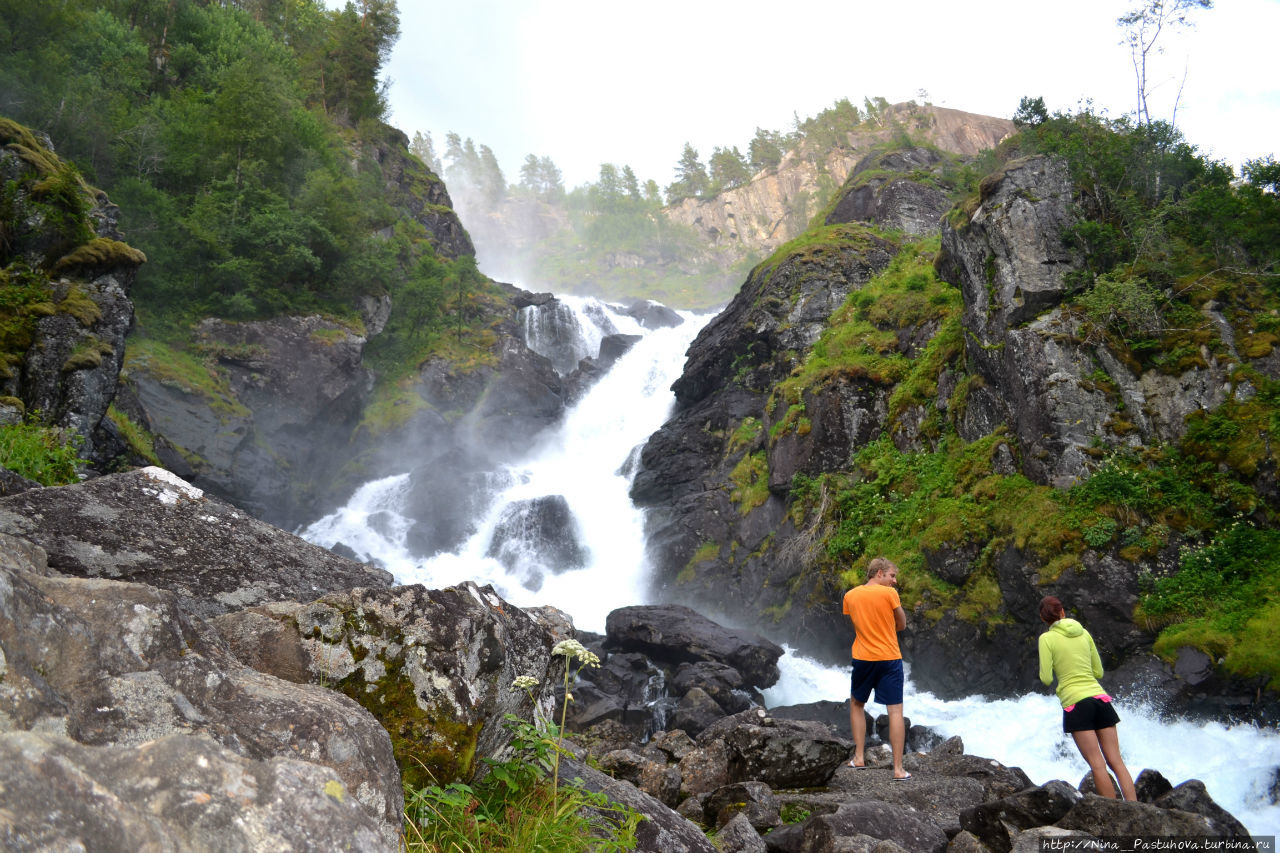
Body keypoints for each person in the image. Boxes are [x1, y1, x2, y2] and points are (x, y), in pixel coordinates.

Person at [1037, 595, 1136, 800]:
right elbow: (1098, 672)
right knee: (1116, 761)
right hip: (1101, 699)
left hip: (1076, 703)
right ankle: (1135, 807)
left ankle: (1116, 813)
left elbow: (1046, 678)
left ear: (1043, 618)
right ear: (1062, 611)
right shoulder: (1084, 633)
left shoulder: (1046, 639)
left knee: (1097, 764)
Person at [842, 556, 909, 780]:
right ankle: (898, 770)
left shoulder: (850, 596)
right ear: (878, 573)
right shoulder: (890, 594)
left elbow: (859, 623)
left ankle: (859, 758)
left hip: (862, 657)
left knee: (857, 704)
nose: (894, 581)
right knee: (895, 711)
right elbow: (902, 624)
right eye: (892, 575)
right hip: (889, 657)